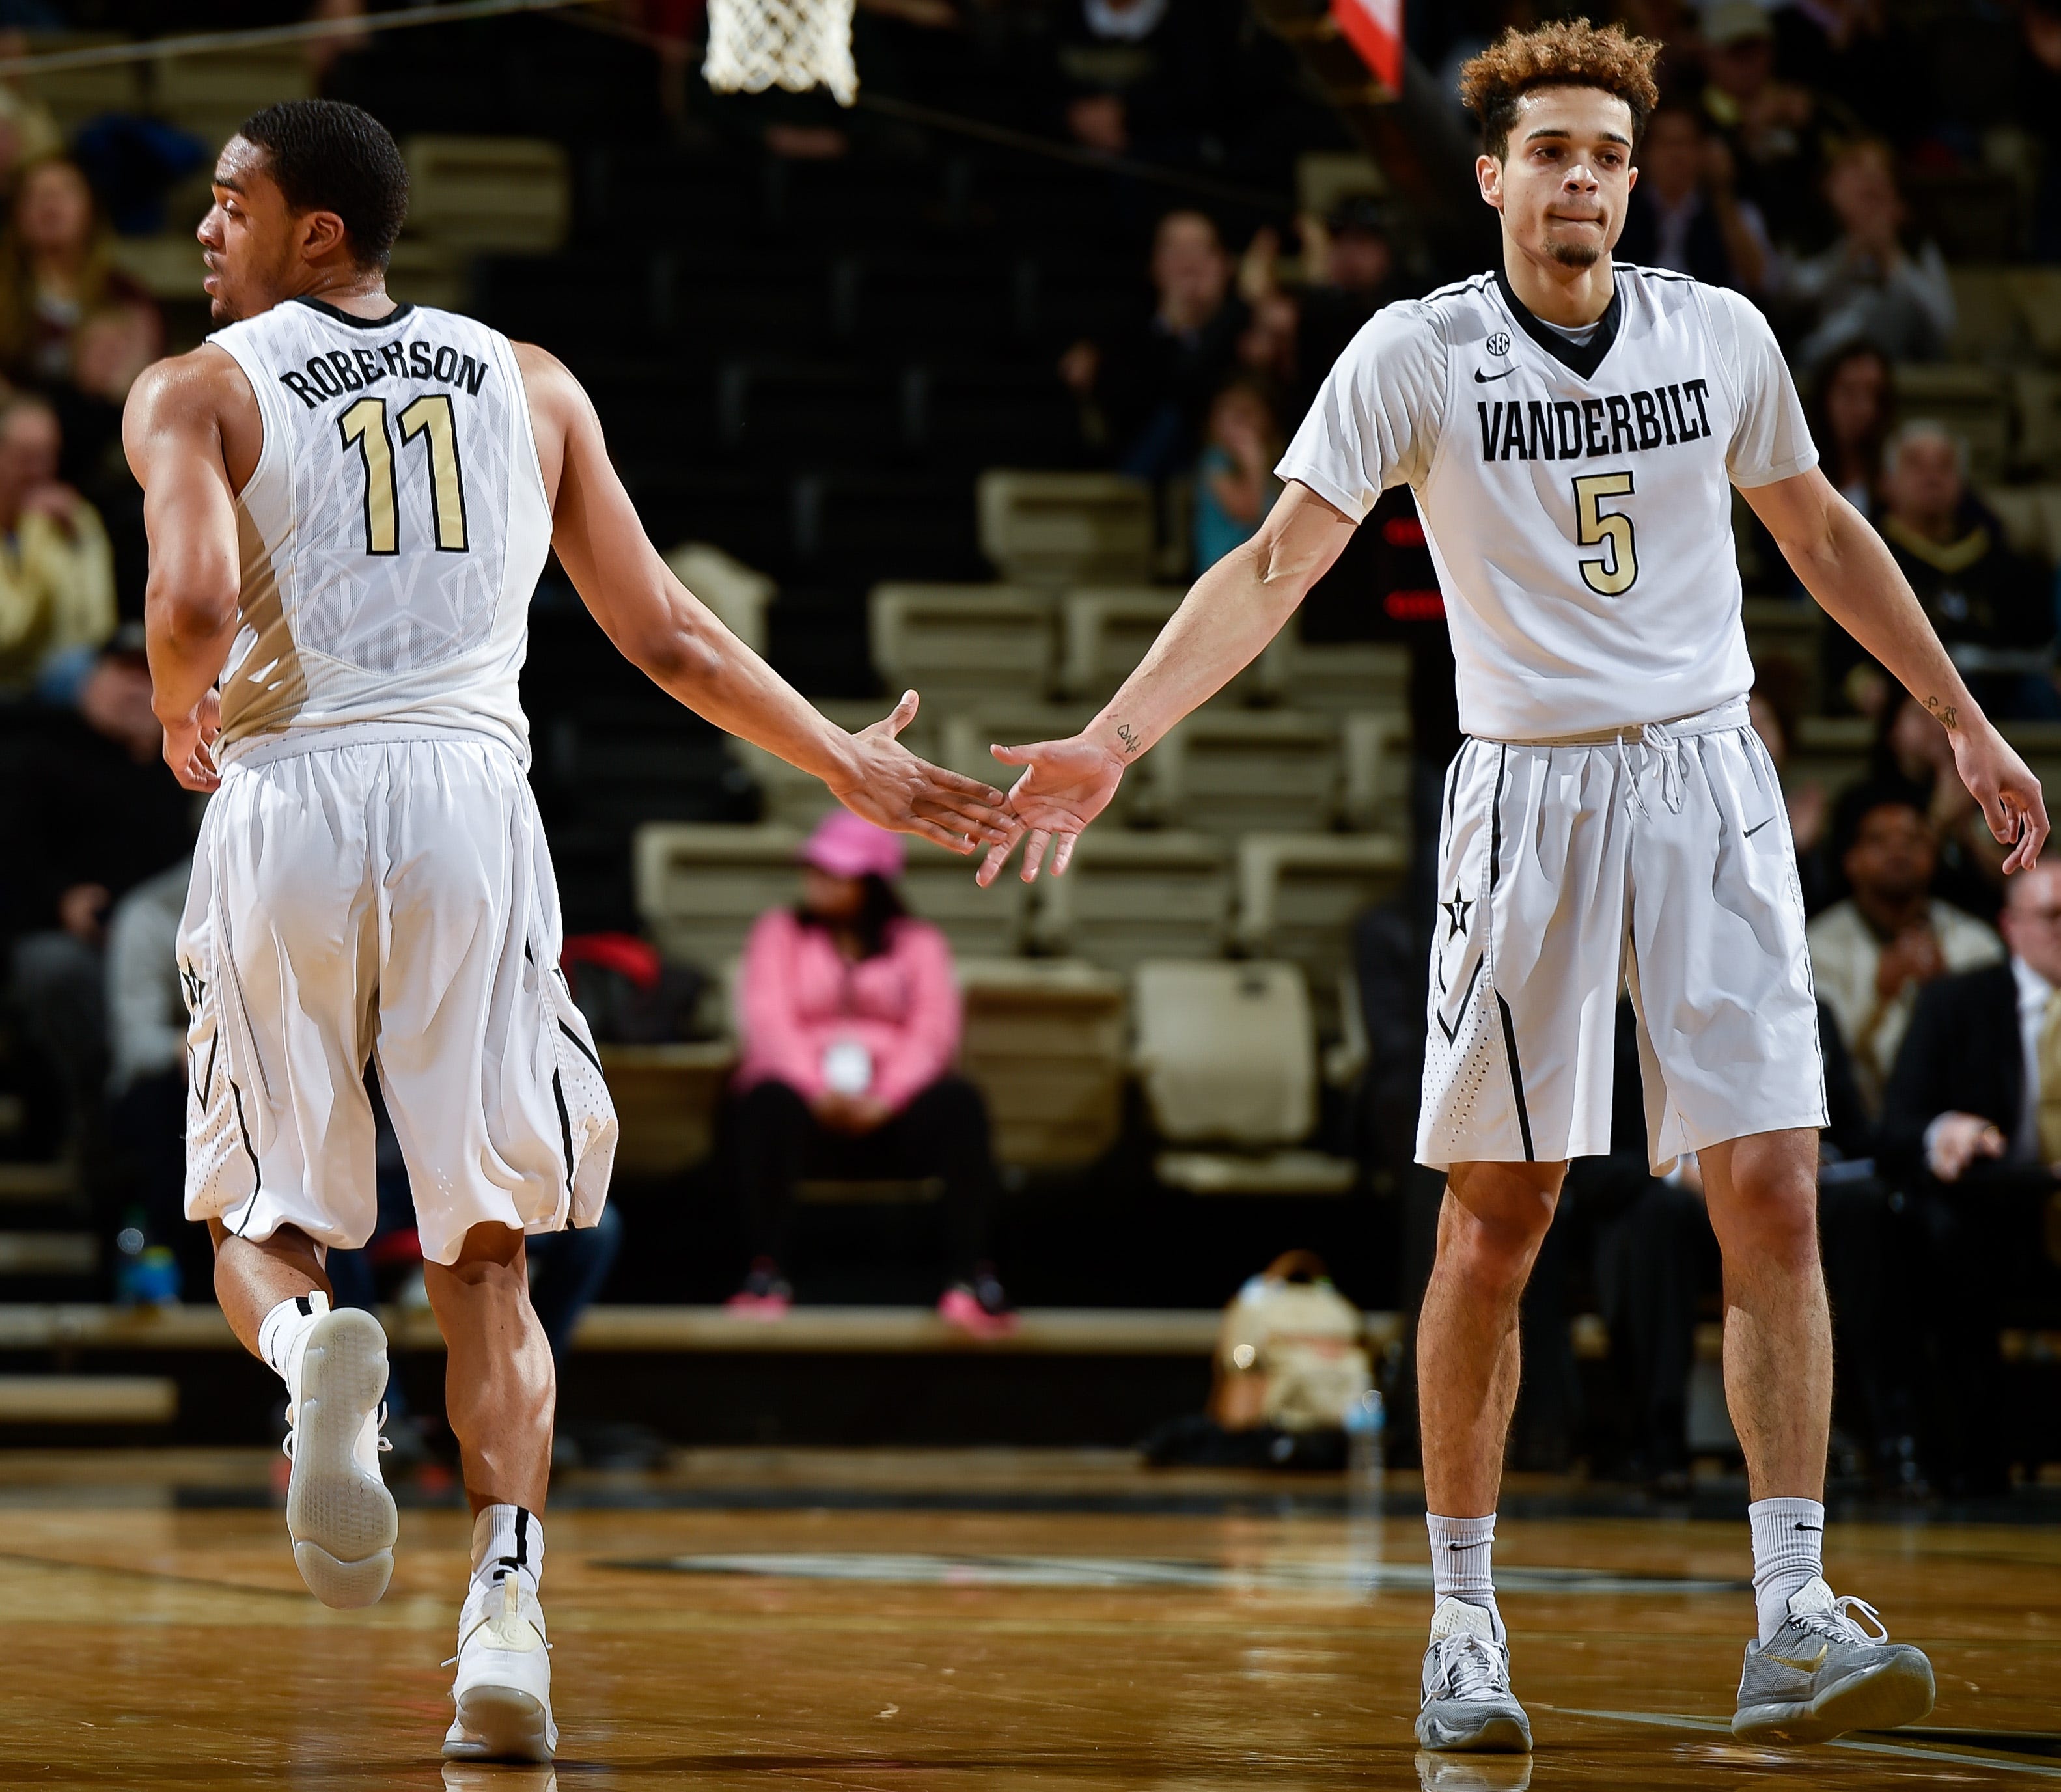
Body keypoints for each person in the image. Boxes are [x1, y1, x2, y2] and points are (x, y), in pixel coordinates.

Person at [975, 18, 2049, 1754]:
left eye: (1608, 157)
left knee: (1771, 1181)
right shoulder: (1414, 354)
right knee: (1501, 1214)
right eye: (1548, 152)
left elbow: (1825, 536)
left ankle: (1788, 1605)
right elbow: (1270, 565)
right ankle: (1460, 1621)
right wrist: (1111, 738)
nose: (1579, 181)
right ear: (1488, 174)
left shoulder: (1719, 334)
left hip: (1706, 778)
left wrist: (1962, 726)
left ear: (1637, 181)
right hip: (1525, 804)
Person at [123, 99, 1008, 1765]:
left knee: (263, 1211)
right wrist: (844, 761)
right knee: (489, 1251)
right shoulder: (528, 381)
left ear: (318, 232)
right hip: (471, 802)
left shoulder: (195, 392)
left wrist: (185, 709)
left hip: (292, 796)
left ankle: (317, 1352)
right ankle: (505, 1627)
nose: (205, 232)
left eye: (231, 204)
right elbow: (666, 636)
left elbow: (185, 608)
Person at [728, 809, 1014, 1334]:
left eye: (836, 870)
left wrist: (886, 1096)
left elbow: (933, 1030)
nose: (817, 878)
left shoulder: (919, 942)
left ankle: (969, 1278)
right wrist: (816, 1091)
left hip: (891, 1116)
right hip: (807, 1112)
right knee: (763, 1099)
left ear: (873, 882)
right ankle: (766, 1270)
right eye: (815, 866)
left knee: (961, 1103)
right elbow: (768, 1020)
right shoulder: (780, 933)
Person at [1876, 859, 2061, 1493]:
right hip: (1996, 1216)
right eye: (2052, 916)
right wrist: (1946, 1130)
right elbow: (1895, 1128)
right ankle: (1957, 1454)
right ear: (2010, 926)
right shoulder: (1955, 1002)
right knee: (1932, 1232)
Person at [3, 638, 193, 1156]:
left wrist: (153, 753)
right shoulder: (37, 753)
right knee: (54, 971)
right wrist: (61, 900)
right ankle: (99, 1117)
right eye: (122, 672)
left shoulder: (177, 768)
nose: (135, 687)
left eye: (146, 675)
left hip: (166, 938)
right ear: (89, 680)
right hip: (69, 938)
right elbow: (13, 854)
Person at [1825, 422, 2052, 724]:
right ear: (1886, 482)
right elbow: (1842, 651)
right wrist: (1866, 688)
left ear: (1963, 481)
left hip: (2001, 704)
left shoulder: (2001, 560)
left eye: (1945, 466)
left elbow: (2036, 639)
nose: (1932, 476)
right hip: (1909, 708)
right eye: (1915, 464)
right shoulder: (1863, 559)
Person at [1806, 786, 2002, 1114]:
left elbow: (2003, 1054)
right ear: (1850, 861)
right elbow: (1814, 1059)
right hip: (1855, 1130)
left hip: (1961, 1128)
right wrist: (1878, 994)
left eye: (1913, 840)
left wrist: (1946, 995)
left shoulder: (1976, 942)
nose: (1898, 850)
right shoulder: (1817, 945)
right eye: (1879, 840)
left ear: (1934, 853)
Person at [1058, 208, 1247, 480]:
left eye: (1201, 250)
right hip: (1143, 476)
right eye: (1175, 251)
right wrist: (1170, 333)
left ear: (1226, 264)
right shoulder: (1123, 336)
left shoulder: (1250, 330)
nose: (1189, 264)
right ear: (1154, 265)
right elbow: (1125, 417)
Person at [1782, 139, 1955, 373]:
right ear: (1828, 187)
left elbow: (1944, 325)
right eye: (1856, 173)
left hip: (1899, 367)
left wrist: (1893, 260)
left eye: (1880, 175)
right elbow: (1791, 297)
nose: (1871, 183)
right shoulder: (1809, 238)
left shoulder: (1915, 246)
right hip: (1823, 364)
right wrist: (1848, 253)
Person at [0, 157, 158, 387]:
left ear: (91, 207)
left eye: (64, 192)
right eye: (34, 195)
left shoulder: (127, 296)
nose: (50, 205)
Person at [0, 392, 117, 696]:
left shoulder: (75, 518)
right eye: (26, 458)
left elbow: (98, 624)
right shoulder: (41, 524)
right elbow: (11, 636)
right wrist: (35, 535)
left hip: (71, 676)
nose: (40, 471)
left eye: (48, 456)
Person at [1617, 101, 1768, 292]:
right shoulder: (1623, 206)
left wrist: (1721, 193)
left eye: (1685, 143)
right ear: (1644, 152)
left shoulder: (1727, 208)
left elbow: (1758, 279)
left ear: (1703, 151)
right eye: (1665, 143)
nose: (1675, 155)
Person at [1191, 376, 1282, 573]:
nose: (1239, 425)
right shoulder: (1215, 462)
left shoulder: (1277, 463)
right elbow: (1249, 511)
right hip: (1224, 574)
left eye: (1247, 414)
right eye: (1232, 415)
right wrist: (1253, 463)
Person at [1806, 341, 1892, 521]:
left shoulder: (1894, 479)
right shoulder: (1796, 471)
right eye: (1849, 392)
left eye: (1872, 394)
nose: (1862, 408)